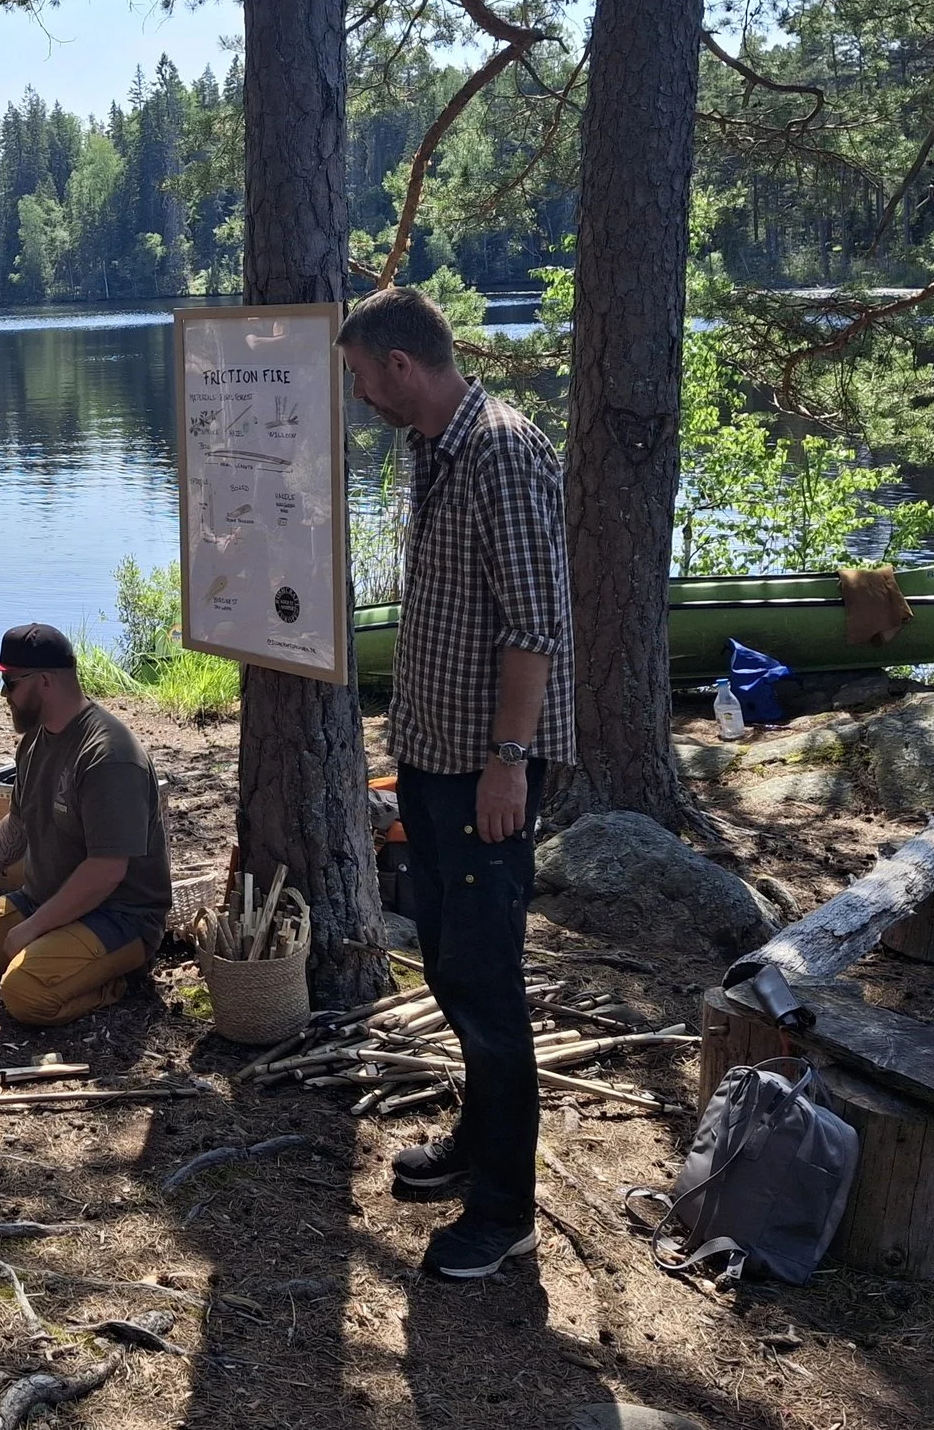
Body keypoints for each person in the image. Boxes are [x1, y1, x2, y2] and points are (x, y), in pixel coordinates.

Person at [338, 284, 576, 1283]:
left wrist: (507, 765)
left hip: (489, 770)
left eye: (359, 378)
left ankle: (505, 1211)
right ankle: (477, 1147)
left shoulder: (505, 454)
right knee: (449, 965)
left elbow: (533, 627)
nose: (357, 398)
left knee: (486, 986)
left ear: (400, 365)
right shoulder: (431, 450)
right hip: (436, 759)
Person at [0, 624, 173, 1027]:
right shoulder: (34, 741)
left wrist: (31, 931)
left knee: (24, 996)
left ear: (45, 681)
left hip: (118, 918)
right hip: (42, 898)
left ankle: (117, 982)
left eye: (9, 682)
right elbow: (17, 824)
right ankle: (50, 961)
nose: (4, 695)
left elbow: (107, 871)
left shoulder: (109, 756)